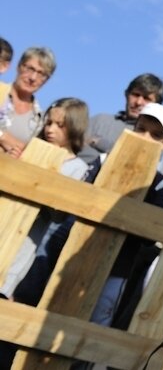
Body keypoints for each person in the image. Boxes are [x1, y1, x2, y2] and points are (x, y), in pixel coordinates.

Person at [89, 102, 163, 329]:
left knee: (95, 328)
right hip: (75, 256)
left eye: (156, 135)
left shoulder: (161, 185)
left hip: (119, 270)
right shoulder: (102, 162)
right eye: (141, 129)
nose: (145, 138)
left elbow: (150, 235)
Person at [1, 97, 91, 300]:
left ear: (74, 127)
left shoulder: (78, 168)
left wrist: (46, 182)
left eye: (60, 125)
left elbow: (59, 215)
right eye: (49, 123)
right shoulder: (30, 150)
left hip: (28, 240)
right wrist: (15, 164)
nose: (51, 129)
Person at [81, 72, 163, 168]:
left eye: (146, 98)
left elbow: (136, 163)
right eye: (135, 94)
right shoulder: (100, 120)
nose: (138, 102)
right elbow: (73, 147)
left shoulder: (154, 136)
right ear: (126, 94)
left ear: (157, 105)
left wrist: (98, 142)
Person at [0, 47, 56, 157]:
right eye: (30, 69)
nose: (33, 77)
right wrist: (2, 137)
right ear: (19, 66)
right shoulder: (1, 91)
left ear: (47, 80)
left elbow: (32, 156)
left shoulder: (41, 120)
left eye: (41, 74)